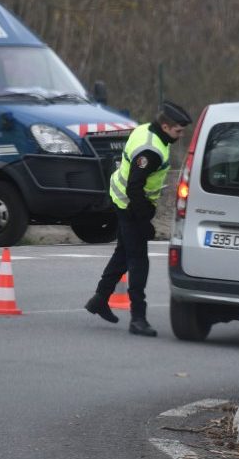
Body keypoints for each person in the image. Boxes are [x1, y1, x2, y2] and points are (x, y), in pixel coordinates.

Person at [85, 100, 192, 336]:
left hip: (123, 199)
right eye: (178, 130)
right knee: (138, 261)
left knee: (124, 253)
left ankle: (100, 299)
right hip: (129, 205)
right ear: (165, 127)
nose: (181, 135)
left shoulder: (145, 130)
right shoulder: (150, 150)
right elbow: (135, 187)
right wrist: (144, 223)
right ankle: (138, 318)